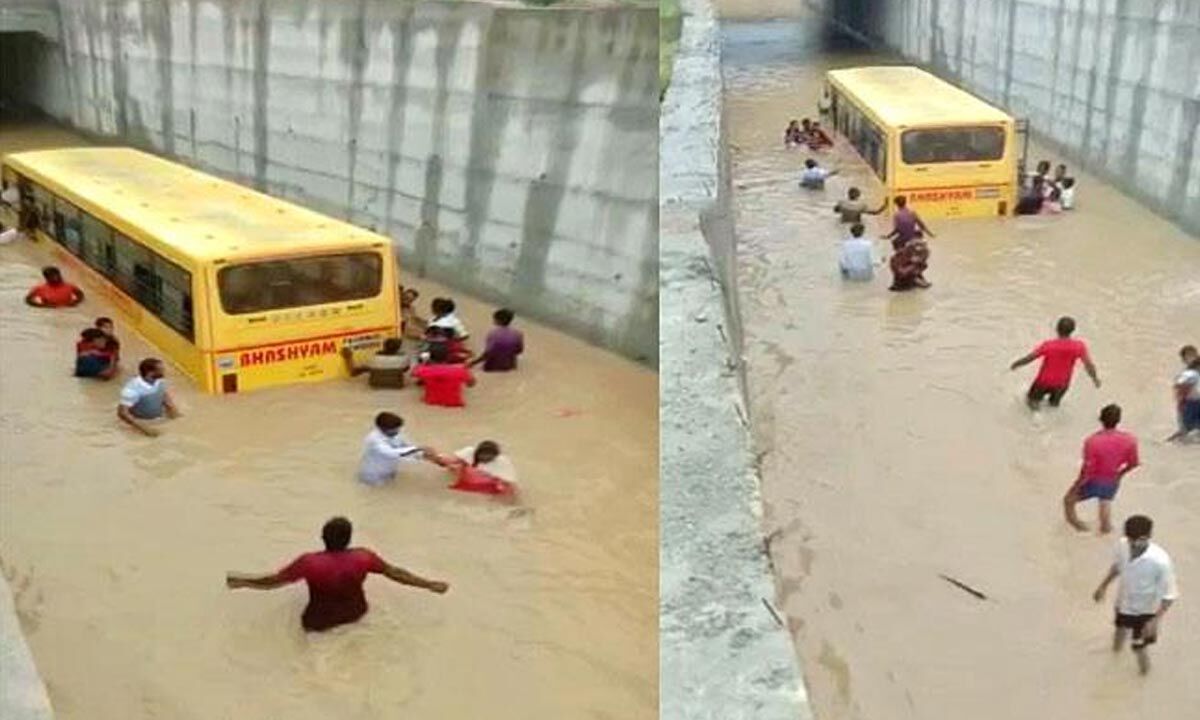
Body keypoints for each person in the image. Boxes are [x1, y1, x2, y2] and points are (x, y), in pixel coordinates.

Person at [225, 516, 449, 632]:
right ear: (349, 539)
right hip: (356, 615)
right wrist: (429, 584)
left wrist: (242, 581)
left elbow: (273, 581)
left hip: (318, 622)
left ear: (322, 537)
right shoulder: (364, 557)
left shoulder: (309, 563)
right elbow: (396, 573)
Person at [1092, 514, 1178, 675]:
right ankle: (1114, 658)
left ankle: (1144, 676)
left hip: (1145, 612)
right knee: (1119, 630)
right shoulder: (1122, 545)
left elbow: (1170, 595)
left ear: (1148, 537)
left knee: (1139, 648)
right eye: (1129, 539)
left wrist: (1155, 621)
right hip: (1123, 603)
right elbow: (1117, 567)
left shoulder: (1160, 560)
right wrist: (1103, 586)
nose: (1132, 544)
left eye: (1135, 540)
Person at [1063, 404, 1140, 533]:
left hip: (1094, 480)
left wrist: (1076, 485)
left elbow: (1087, 470)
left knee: (1068, 501)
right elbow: (1134, 463)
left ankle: (1080, 528)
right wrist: (1120, 474)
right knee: (1105, 502)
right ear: (1118, 420)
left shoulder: (1092, 441)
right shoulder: (1130, 440)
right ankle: (1105, 531)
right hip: (1112, 479)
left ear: (1100, 419)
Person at [1010, 316, 1101, 409]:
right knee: (1053, 407)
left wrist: (1016, 364)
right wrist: (1095, 379)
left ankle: (1033, 420)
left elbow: (1030, 358)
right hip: (1062, 384)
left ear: (1057, 329)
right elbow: (1089, 365)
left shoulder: (1049, 345)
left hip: (1043, 382)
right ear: (1073, 330)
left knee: (1031, 403)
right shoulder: (1079, 346)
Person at [427, 441, 518, 497]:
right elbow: (451, 460)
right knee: (452, 466)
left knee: (508, 490)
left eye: (488, 458)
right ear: (477, 452)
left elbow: (510, 485)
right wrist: (435, 457)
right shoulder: (469, 452)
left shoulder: (502, 462)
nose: (485, 459)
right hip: (468, 478)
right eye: (483, 456)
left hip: (489, 485)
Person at [356, 412, 425, 485]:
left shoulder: (397, 433)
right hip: (372, 475)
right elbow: (391, 453)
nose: (397, 431)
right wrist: (418, 449)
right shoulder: (373, 439)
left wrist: (422, 454)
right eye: (394, 429)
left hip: (390, 469)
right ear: (382, 428)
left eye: (398, 428)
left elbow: (407, 446)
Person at [116, 358, 180, 437]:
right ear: (150, 373)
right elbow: (122, 413)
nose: (164, 371)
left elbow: (164, 395)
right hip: (142, 424)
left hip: (160, 420)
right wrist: (145, 429)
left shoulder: (159, 380)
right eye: (161, 369)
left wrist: (175, 413)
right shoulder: (132, 389)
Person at [412, 343, 475, 408]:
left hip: (431, 401)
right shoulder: (460, 370)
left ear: (430, 357)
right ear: (448, 356)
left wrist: (425, 361)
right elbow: (471, 384)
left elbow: (414, 373)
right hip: (454, 403)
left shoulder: (423, 370)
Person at [341, 338, 410, 389]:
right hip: (397, 386)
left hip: (375, 385)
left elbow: (353, 373)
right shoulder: (403, 359)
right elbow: (406, 369)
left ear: (384, 347)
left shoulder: (372, 359)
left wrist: (348, 357)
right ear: (398, 349)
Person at [1167, 345, 1200, 442]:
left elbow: (1178, 386)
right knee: (1189, 431)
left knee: (1189, 431)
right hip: (1191, 403)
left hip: (1192, 403)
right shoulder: (1189, 373)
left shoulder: (1189, 373)